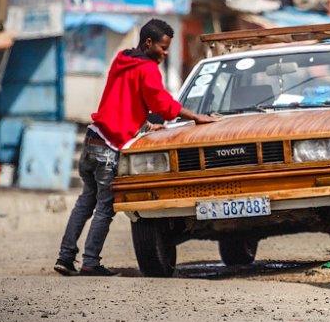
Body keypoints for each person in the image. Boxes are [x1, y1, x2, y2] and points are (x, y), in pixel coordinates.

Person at [54, 18, 218, 277]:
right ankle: (90, 262)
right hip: (110, 146)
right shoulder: (148, 69)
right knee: (105, 207)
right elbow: (162, 104)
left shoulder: (122, 60)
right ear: (148, 43)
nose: (165, 53)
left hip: (93, 138)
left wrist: (143, 126)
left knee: (86, 202)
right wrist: (195, 117)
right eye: (163, 48)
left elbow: (123, 100)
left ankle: (65, 257)